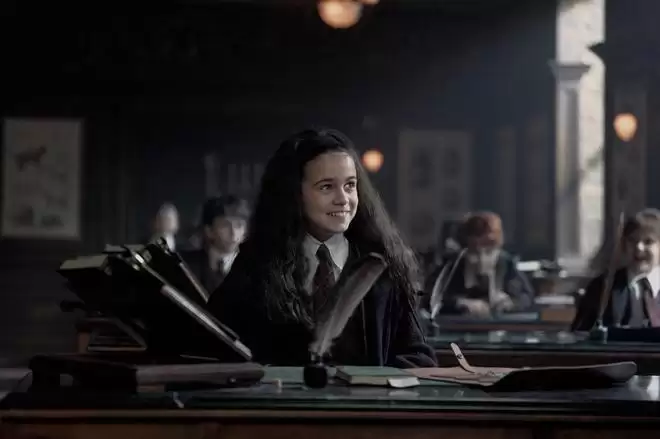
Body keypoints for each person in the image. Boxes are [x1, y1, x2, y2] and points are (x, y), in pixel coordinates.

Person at [207, 128, 436, 368]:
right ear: (294, 194)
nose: (343, 199)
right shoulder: (256, 266)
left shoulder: (383, 266)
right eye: (326, 187)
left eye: (350, 185)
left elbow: (419, 357)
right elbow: (217, 349)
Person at [427, 211, 534, 317]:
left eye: (488, 247)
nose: (482, 256)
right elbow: (430, 297)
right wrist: (459, 304)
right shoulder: (451, 265)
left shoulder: (507, 264)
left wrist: (510, 303)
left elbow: (526, 296)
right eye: (474, 248)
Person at [572, 208, 660, 331]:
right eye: (632, 240)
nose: (639, 247)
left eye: (648, 242)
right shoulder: (603, 287)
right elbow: (580, 333)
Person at [180, 195, 249, 295]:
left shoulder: (253, 268)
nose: (233, 233)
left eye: (239, 225)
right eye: (225, 225)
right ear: (209, 230)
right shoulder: (185, 264)